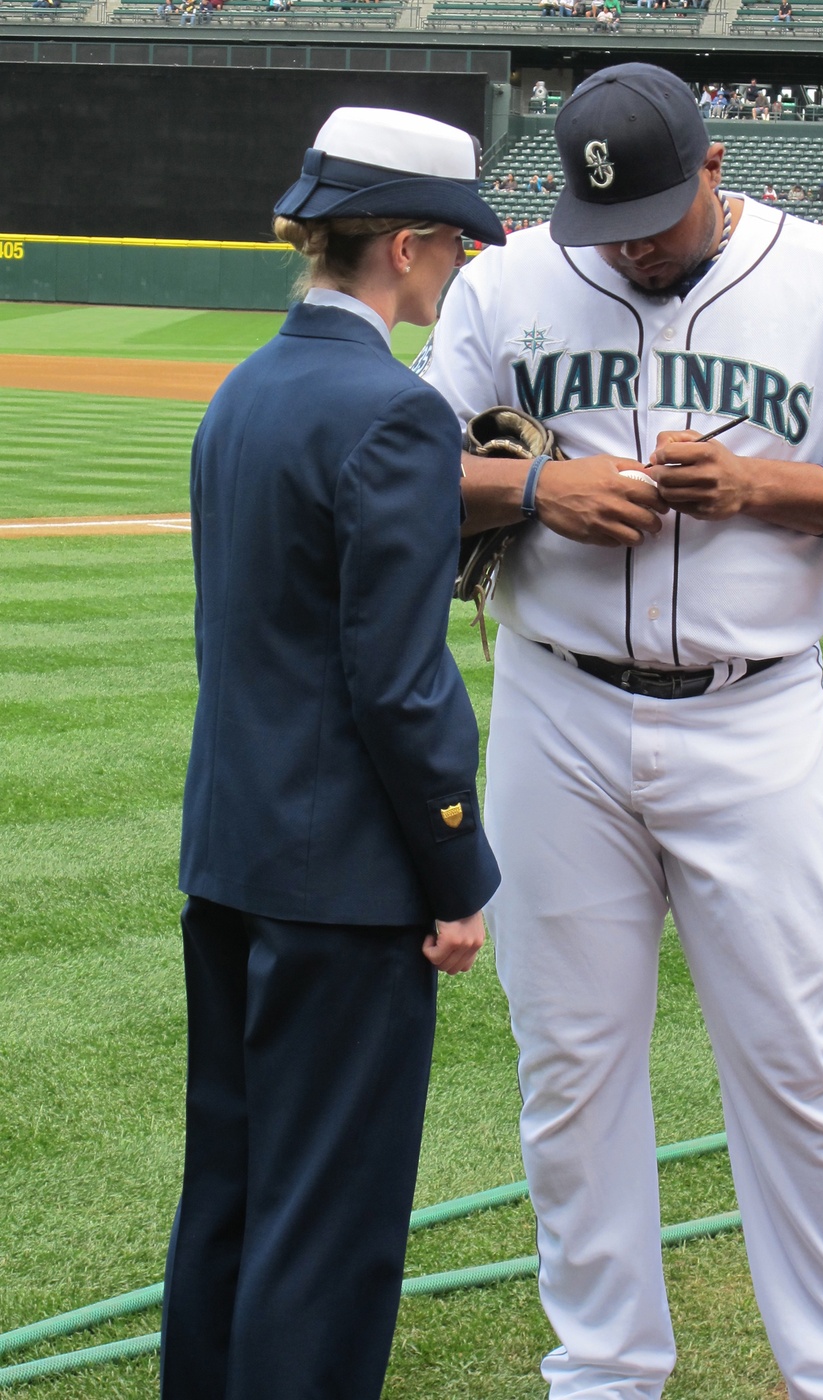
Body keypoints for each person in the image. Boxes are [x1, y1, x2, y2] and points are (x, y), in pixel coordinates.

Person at [420, 61, 823, 1400]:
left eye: (657, 214)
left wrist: (768, 484)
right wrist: (541, 489)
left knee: (790, 1062)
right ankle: (601, 1375)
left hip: (755, 718)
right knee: (572, 1069)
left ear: (715, 169)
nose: (634, 244)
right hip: (560, 715)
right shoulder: (506, 284)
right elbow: (410, 470)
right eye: (610, 224)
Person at [159, 106, 503, 1400]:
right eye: (452, 249)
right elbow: (400, 685)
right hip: (347, 887)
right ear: (405, 247)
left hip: (233, 853)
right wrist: (456, 876)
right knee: (329, 1227)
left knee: (233, 1199)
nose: (456, 271)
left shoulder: (244, 389)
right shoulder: (395, 414)